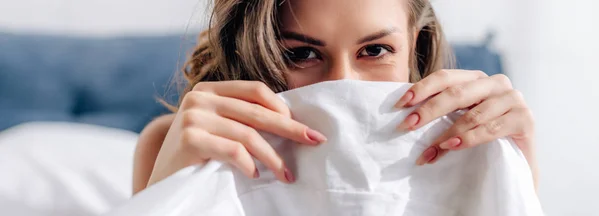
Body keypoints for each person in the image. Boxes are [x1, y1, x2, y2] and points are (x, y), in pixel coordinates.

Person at [132, 0, 538, 195]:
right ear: (255, 50)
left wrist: (518, 162)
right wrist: (171, 189)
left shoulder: (464, 141)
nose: (345, 83)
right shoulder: (182, 142)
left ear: (414, 45)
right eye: (301, 54)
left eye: (375, 51)